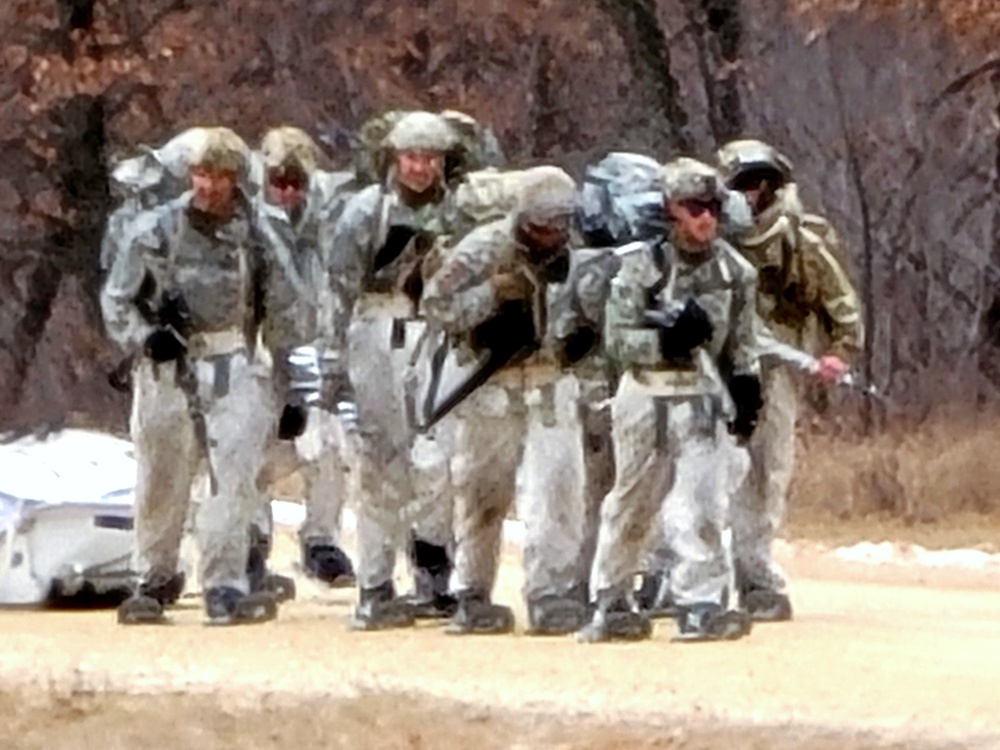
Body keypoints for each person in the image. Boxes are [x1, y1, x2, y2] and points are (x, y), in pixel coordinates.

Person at [102, 127, 313, 625]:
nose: (209, 186)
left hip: (232, 360)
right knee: (162, 475)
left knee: (232, 481)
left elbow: (286, 313)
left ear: (236, 178)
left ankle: (223, 583)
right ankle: (152, 577)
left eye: (219, 175)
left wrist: (294, 389)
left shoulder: (261, 233)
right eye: (200, 174)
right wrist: (144, 335)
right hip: (167, 367)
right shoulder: (155, 229)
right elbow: (118, 297)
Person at [578, 157, 761, 643]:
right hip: (644, 391)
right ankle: (612, 597)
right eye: (694, 207)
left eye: (713, 207)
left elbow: (744, 340)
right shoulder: (641, 265)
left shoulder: (735, 272)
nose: (705, 218)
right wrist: (666, 342)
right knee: (632, 500)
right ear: (671, 210)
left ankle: (701, 601)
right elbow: (616, 340)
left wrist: (747, 390)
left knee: (699, 502)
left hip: (701, 395)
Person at [421, 166, 601, 635]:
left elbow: (594, 311)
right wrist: (490, 298)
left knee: (558, 490)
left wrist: (583, 341)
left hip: (550, 381)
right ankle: (472, 591)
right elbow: (436, 305)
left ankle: (551, 592)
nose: (552, 233)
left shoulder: (576, 256)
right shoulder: (484, 248)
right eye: (543, 224)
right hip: (490, 383)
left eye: (561, 223)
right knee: (483, 492)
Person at [324, 111, 464, 629]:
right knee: (380, 460)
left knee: (439, 460)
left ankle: (433, 570)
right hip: (376, 331)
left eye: (430, 158)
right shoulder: (367, 211)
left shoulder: (457, 212)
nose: (421, 167)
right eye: (411, 157)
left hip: (436, 331)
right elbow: (337, 287)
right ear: (394, 159)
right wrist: (331, 362)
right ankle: (376, 583)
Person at [715, 139, 863, 621]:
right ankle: (689, 576)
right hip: (708, 365)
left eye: (761, 184)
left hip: (774, 370)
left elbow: (843, 309)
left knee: (764, 472)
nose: (753, 195)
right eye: (742, 185)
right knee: (698, 471)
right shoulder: (706, 231)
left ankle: (754, 575)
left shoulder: (800, 241)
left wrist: (838, 353)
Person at [254, 126, 357, 587]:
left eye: (297, 181)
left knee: (327, 445)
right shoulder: (247, 220)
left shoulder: (331, 220)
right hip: (257, 346)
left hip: (314, 344)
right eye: (279, 180)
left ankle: (321, 539)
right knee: (251, 446)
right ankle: (250, 541)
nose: (288, 191)